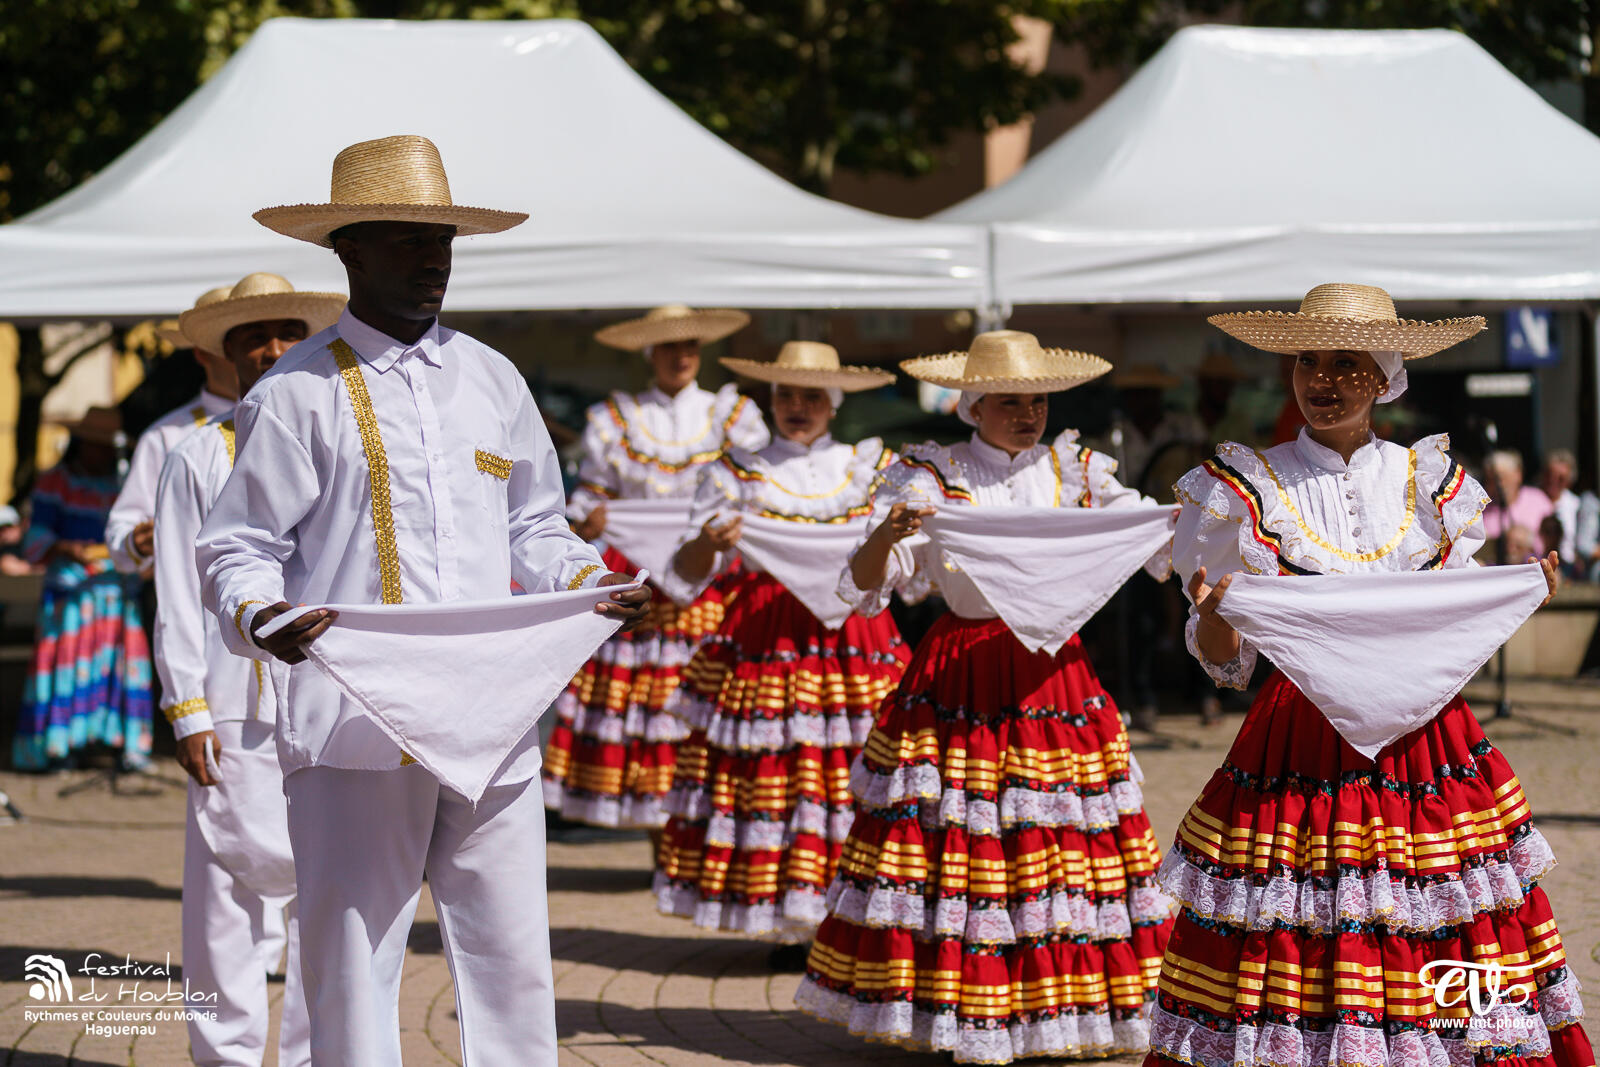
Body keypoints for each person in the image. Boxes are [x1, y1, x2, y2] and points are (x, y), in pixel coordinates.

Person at [194, 135, 650, 1066]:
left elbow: (537, 527)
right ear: (349, 250)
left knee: (512, 950)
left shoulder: (492, 378)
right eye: (407, 239)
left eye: (441, 239)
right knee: (352, 955)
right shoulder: (295, 393)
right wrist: (264, 617)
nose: (432, 258)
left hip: (492, 709)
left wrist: (586, 581)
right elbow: (236, 546)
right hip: (354, 716)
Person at [1149, 284, 1592, 1067]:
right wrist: (1214, 610)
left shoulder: (1434, 484)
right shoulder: (1247, 487)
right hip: (1300, 737)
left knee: (1440, 910)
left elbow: (1456, 620)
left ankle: (1449, 1047)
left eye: (1345, 363)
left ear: (1386, 375)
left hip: (1425, 740)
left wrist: (1516, 592)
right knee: (1304, 915)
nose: (1320, 379)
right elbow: (1224, 658)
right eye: (1307, 361)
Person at [796, 330, 1176, 1064]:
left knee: (1058, 832)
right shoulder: (930, 476)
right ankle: (965, 1002)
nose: (1027, 413)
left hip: (1050, 670)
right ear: (974, 404)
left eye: (1036, 400)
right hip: (964, 667)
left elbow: (1144, 531)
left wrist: (1193, 534)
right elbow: (869, 577)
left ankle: (1059, 1002)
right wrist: (891, 532)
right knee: (960, 832)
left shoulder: (1077, 469)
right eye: (1011, 401)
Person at [652, 341, 908, 967]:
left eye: (812, 395)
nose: (798, 407)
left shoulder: (870, 467)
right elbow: (684, 571)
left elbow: (900, 569)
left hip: (854, 634)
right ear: (770, 400)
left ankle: (857, 907)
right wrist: (711, 543)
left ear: (834, 402)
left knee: (852, 770)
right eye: (787, 395)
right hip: (769, 636)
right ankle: (793, 918)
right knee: (779, 772)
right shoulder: (734, 469)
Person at [154, 273, 343, 1067]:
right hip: (232, 703)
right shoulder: (196, 455)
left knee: (328, 893)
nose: (271, 349)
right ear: (223, 354)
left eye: (284, 333)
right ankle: (225, 1054)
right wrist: (187, 706)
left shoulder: (334, 443)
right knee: (225, 894)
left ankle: (308, 1054)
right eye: (252, 337)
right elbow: (175, 589)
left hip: (329, 698)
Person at [543, 304, 769, 829]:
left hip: (712, 570)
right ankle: (653, 825)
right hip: (638, 573)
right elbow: (592, 493)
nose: (681, 357)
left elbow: (754, 488)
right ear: (651, 353)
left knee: (706, 687)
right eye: (669, 347)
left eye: (689, 346)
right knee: (643, 697)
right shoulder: (618, 418)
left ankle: (696, 827)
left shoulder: (731, 415)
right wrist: (591, 517)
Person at [12, 407, 154, 770]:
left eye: (108, 447)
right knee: (66, 667)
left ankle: (123, 744)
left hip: (117, 593)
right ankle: (61, 746)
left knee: (120, 669)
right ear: (80, 444)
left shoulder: (124, 484)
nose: (102, 454)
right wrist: (65, 548)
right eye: (95, 445)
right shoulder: (55, 482)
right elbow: (36, 536)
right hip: (72, 596)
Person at [104, 286, 239, 576]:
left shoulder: (300, 418)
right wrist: (138, 541)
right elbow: (122, 534)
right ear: (203, 353)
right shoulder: (168, 435)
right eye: (233, 343)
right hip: (198, 608)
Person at [1484, 449, 1554, 558]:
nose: (1496, 485)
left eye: (1500, 478)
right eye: (1490, 480)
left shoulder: (1538, 500)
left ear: (1518, 475)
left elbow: (1552, 538)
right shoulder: (1482, 509)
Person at [1541, 449, 1580, 570]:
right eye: (1550, 475)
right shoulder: (1532, 498)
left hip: (1568, 565)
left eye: (1561, 478)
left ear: (1570, 480)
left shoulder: (1576, 505)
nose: (1553, 481)